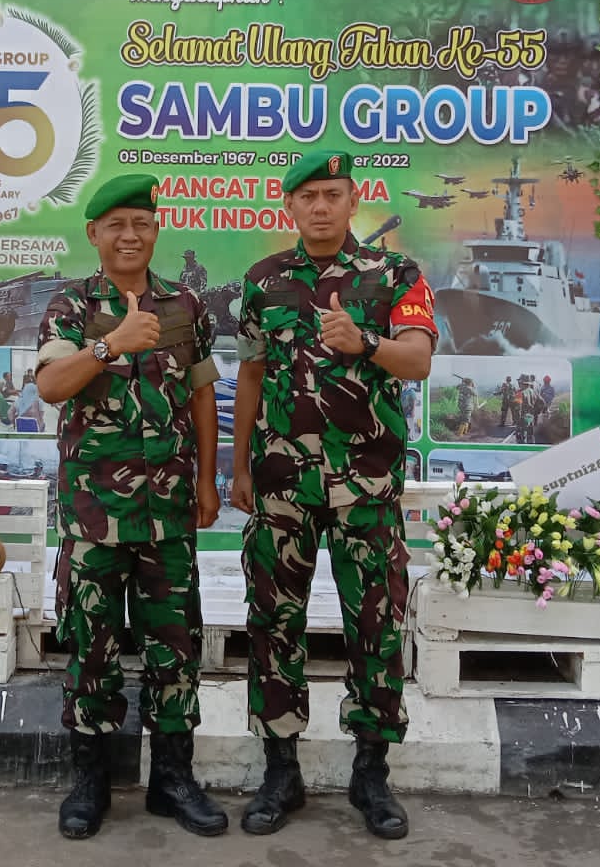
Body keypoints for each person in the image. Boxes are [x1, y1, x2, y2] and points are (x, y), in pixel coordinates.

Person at [231, 149, 436, 841]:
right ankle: (279, 769)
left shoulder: (395, 275)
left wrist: (364, 340)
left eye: (333, 195)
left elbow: (418, 359)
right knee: (273, 624)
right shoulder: (263, 283)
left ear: (354, 201)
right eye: (307, 196)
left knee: (374, 629)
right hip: (282, 484)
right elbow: (250, 379)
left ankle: (371, 772)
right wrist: (236, 469)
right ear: (289, 207)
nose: (320, 207)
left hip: (365, 485)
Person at [36, 174, 227, 840]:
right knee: (92, 646)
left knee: (176, 646)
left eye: (141, 223)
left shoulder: (186, 305)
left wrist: (207, 482)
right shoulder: (70, 304)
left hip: (169, 510)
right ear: (94, 234)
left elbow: (203, 394)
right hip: (94, 514)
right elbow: (52, 386)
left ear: (155, 230)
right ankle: (90, 780)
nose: (129, 235)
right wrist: (109, 343)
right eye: (115, 224)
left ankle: (173, 778)